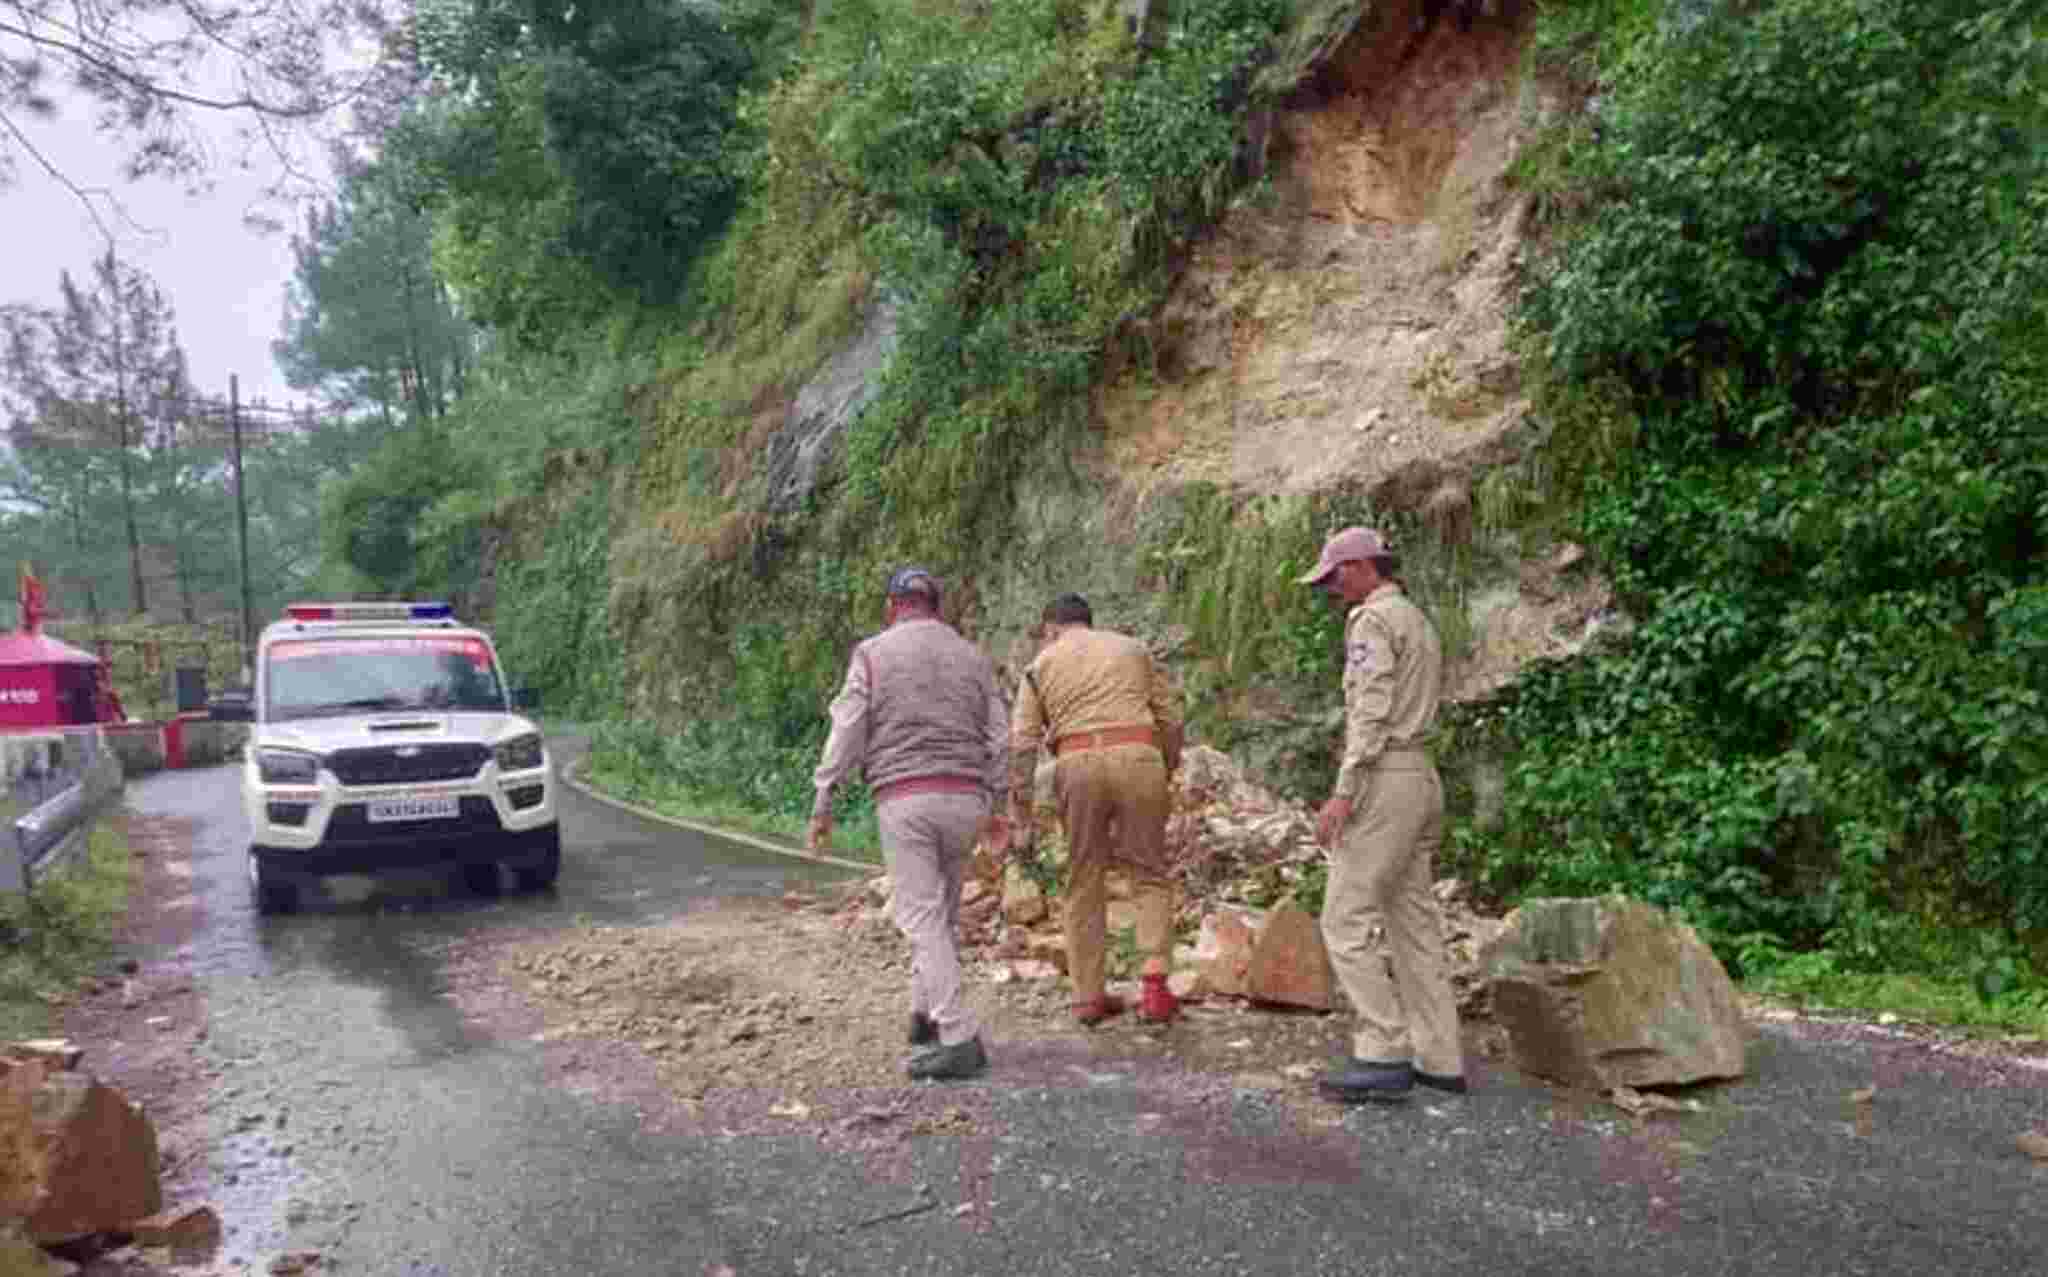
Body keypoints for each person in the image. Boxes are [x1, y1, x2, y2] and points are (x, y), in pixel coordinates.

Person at [810, 567, 1010, 1081]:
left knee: (920, 917)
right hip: (966, 798)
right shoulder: (973, 656)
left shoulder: (873, 654)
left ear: (891, 606)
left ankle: (958, 1036)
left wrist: (825, 791)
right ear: (937, 607)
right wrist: (1002, 801)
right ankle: (924, 1016)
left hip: (907, 798)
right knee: (940, 915)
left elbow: (849, 725)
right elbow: (1000, 737)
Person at [1300, 526, 1465, 1103]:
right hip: (1422, 776)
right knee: (1412, 921)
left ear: (1365, 567)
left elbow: (1370, 710)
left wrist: (1345, 790)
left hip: (1386, 778)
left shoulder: (1372, 622)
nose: (1331, 588)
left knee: (1343, 920)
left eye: (1336, 575)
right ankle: (1439, 1056)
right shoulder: (1418, 620)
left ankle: (1384, 1047)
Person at [1005, 593, 1183, 1026]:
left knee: (1083, 877)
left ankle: (1088, 997)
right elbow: (1172, 717)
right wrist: (1166, 764)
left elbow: (1022, 745)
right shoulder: (1133, 649)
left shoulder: (1041, 665)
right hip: (1139, 755)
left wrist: (1021, 813)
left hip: (1077, 762)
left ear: (1051, 629)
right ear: (1090, 622)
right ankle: (1156, 988)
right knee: (1149, 872)